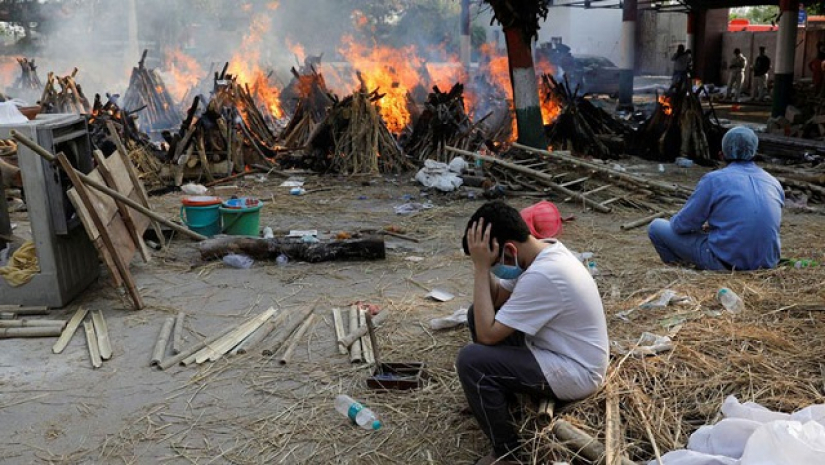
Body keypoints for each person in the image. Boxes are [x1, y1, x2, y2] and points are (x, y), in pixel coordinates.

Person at [456, 200, 609, 465]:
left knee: (472, 361)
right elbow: (495, 299)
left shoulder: (545, 274)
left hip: (577, 371)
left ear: (509, 250)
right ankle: (497, 400)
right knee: (476, 312)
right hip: (556, 351)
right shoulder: (542, 253)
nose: (493, 268)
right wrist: (482, 264)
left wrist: (482, 269)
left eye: (495, 262)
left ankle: (507, 453)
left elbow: (487, 336)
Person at [648, 126, 784, 271]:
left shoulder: (714, 180)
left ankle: (683, 272)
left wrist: (697, 226)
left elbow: (681, 225)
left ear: (721, 154)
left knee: (656, 227)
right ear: (755, 153)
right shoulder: (773, 182)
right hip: (767, 264)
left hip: (727, 263)